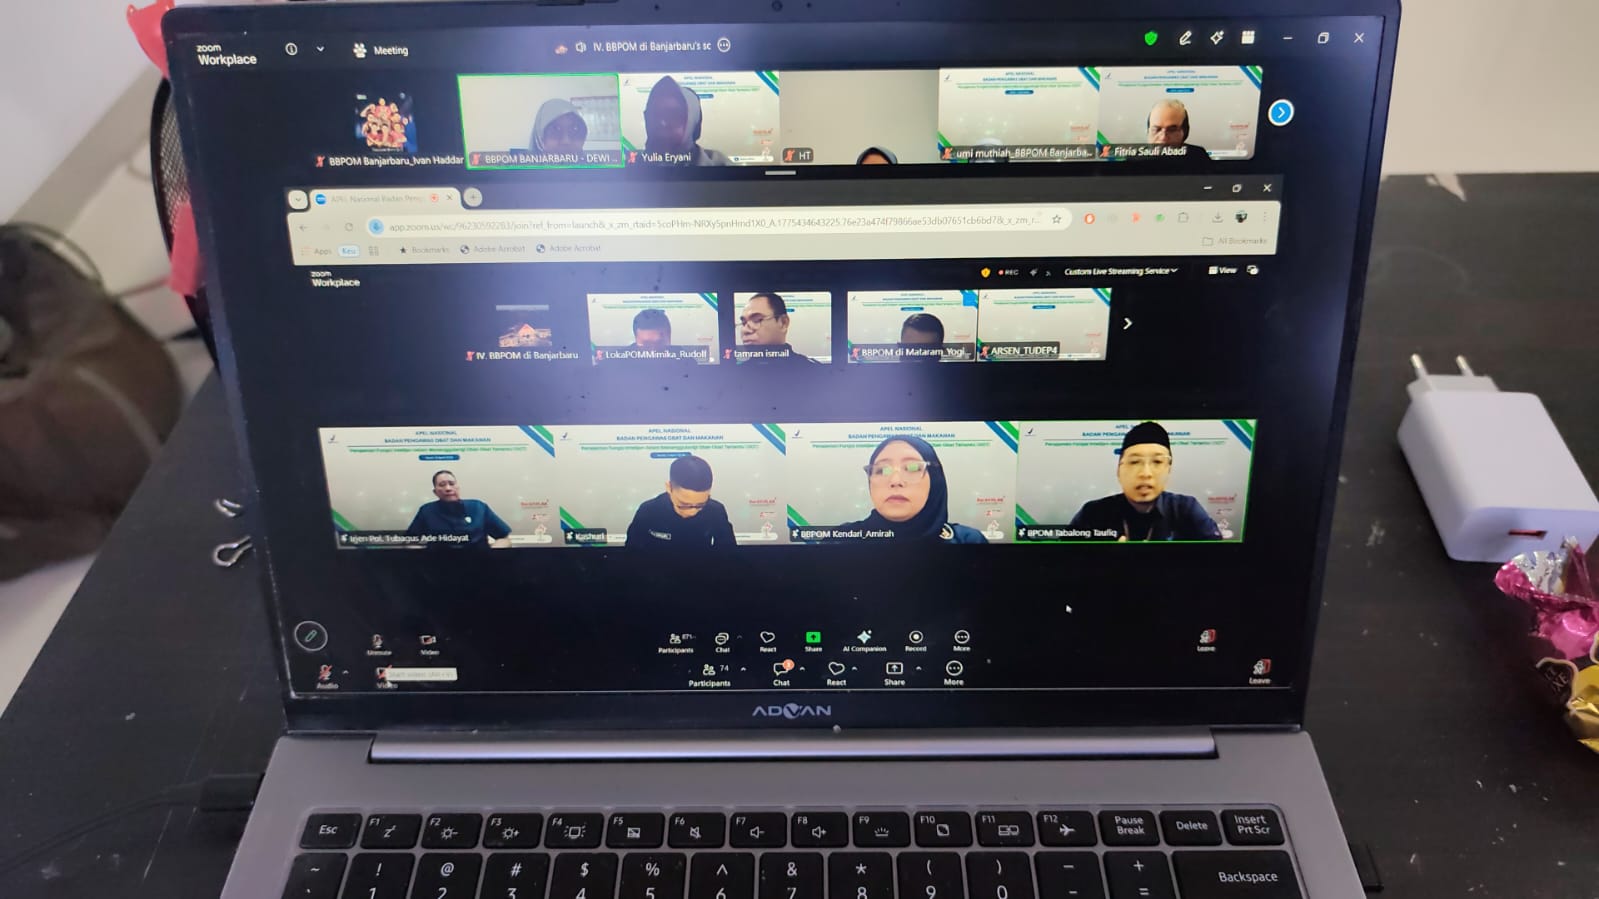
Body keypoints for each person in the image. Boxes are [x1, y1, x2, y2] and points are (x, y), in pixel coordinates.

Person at [1068, 421, 1223, 541]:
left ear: (1168, 470)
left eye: (1157, 462)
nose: (1145, 473)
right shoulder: (1092, 513)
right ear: (1119, 471)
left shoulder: (1186, 509)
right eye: (1135, 462)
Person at [836, 436, 987, 543]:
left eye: (912, 468)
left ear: (935, 480)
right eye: (882, 470)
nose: (895, 481)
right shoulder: (842, 539)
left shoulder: (968, 540)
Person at [625, 455, 736, 548]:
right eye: (684, 505)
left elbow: (728, 554)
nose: (692, 512)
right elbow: (631, 555)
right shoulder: (648, 511)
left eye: (700, 505)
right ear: (669, 487)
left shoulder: (716, 511)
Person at [406, 470, 513, 549]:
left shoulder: (478, 507)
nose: (448, 488)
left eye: (451, 484)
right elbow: (411, 541)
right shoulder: (426, 511)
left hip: (478, 564)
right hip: (439, 565)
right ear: (435, 492)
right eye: (442, 485)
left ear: (458, 487)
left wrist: (492, 554)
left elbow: (504, 538)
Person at [643, 76, 731, 166]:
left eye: (673, 115)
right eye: (655, 114)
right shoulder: (635, 166)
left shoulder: (720, 164)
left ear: (692, 122)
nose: (661, 122)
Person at [738, 293, 816, 365]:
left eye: (757, 320)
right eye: (743, 323)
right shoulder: (736, 372)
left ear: (783, 323)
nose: (745, 330)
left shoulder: (813, 371)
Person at [1144, 99, 1210, 165]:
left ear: (1184, 132)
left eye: (1172, 130)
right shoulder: (1139, 159)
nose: (1163, 137)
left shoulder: (1198, 156)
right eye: (1156, 130)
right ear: (1148, 131)